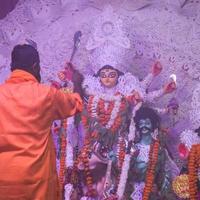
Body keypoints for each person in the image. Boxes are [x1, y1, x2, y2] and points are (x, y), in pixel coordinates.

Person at [0, 44, 83, 200]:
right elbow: (76, 104)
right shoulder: (46, 94)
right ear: (35, 66)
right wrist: (75, 81)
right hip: (36, 182)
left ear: (12, 67)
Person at [125, 106, 176, 200]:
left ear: (153, 125)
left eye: (147, 123)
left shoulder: (160, 150)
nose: (144, 126)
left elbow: (165, 177)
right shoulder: (131, 149)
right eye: (141, 123)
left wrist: (158, 190)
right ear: (137, 125)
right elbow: (124, 176)